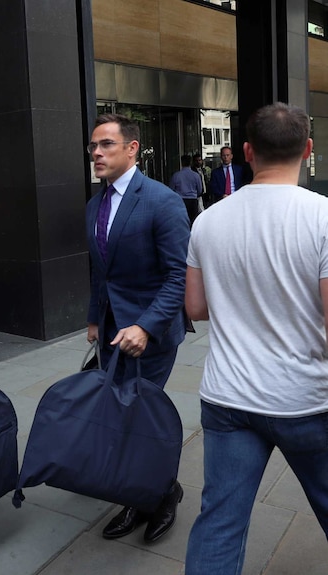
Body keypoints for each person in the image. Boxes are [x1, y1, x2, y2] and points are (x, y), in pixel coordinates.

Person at [184, 102, 328, 574]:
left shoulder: (208, 221)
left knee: (220, 523)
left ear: (247, 151)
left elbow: (196, 309)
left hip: (228, 398)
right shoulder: (323, 217)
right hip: (307, 399)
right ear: (308, 150)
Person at [85, 113, 190, 543]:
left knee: (141, 416)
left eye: (106, 144)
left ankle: (159, 495)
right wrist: (94, 317)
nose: (96, 153)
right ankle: (143, 492)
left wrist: (146, 327)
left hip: (152, 335)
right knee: (121, 414)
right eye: (93, 146)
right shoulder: (95, 204)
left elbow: (178, 276)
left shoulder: (161, 200)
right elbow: (100, 272)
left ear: (132, 149)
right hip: (111, 331)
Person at [170, 154, 203, 226]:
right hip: (193, 201)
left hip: (181, 201)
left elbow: (171, 190)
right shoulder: (196, 175)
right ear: (191, 162)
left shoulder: (176, 175)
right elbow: (200, 190)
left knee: (182, 222)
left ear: (182, 162)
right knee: (193, 222)